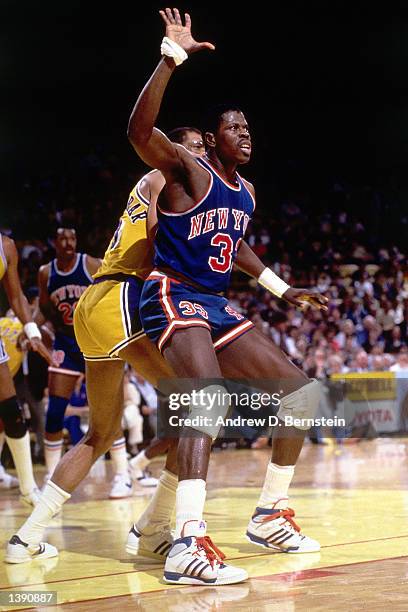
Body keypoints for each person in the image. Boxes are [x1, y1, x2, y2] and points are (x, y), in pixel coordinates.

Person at [128, 8, 328, 586]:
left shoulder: (245, 192)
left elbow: (233, 247)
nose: (247, 134)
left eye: (249, 128)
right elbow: (140, 134)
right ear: (213, 140)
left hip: (213, 303)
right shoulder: (188, 169)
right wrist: (171, 59)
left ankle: (269, 515)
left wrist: (280, 287)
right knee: (204, 402)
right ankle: (186, 543)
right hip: (172, 292)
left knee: (300, 394)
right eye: (236, 128)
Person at [5, 127, 205, 564]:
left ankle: (27, 537)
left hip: (93, 305)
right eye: (195, 149)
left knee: (103, 431)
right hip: (119, 297)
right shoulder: (166, 178)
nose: (201, 158)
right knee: (199, 405)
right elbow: (158, 239)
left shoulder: (153, 183)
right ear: (175, 151)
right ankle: (155, 529)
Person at [36, 228, 101, 479]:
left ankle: (122, 475)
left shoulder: (90, 264)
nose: (68, 243)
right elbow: (43, 306)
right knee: (54, 411)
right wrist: (32, 327)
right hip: (65, 343)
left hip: (93, 341)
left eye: (73, 238)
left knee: (105, 411)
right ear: (54, 242)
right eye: (63, 239)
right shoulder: (46, 272)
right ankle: (51, 476)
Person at [0, 233, 52, 506]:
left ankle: (28, 491)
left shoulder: (6, 246)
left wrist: (32, 332)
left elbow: (17, 295)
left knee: (11, 411)